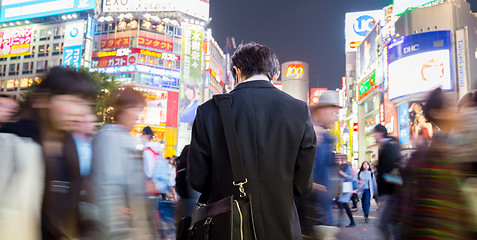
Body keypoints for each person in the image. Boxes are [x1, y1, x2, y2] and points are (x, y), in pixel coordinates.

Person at [188, 42, 316, 240]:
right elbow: (303, 186)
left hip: (228, 229)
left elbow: (197, 179)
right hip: (283, 228)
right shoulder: (299, 110)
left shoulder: (208, 112)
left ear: (237, 71)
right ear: (275, 75)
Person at [399, 88, 473, 240]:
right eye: (450, 106)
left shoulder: (450, 148)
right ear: (436, 113)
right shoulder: (434, 155)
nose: (455, 111)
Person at [92, 87, 155, 240]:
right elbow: (109, 191)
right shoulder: (110, 138)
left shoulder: (124, 139)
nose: (137, 116)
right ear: (122, 109)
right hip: (119, 230)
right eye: (134, 109)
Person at [295, 90, 341, 239]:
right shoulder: (310, 133)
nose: (336, 117)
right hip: (311, 208)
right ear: (321, 110)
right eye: (333, 112)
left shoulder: (327, 136)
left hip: (321, 208)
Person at [373, 124, 401, 239]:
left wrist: (383, 176)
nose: (373, 136)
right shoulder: (385, 147)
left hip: (390, 193)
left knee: (383, 224)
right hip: (388, 192)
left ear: (380, 133)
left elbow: (391, 171)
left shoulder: (388, 147)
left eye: (374, 133)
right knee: (389, 223)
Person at [337, 161, 356, 228]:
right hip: (342, 189)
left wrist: (343, 174)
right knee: (343, 205)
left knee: (343, 205)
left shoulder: (348, 167)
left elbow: (351, 178)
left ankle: (342, 222)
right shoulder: (340, 167)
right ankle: (351, 222)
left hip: (347, 189)